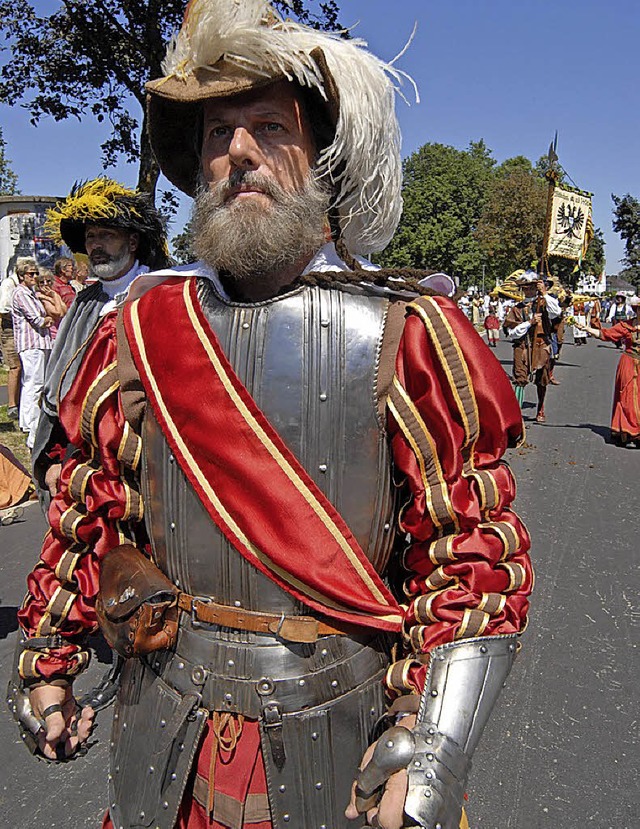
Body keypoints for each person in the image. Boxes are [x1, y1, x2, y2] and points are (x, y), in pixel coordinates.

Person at [11, 4, 533, 829]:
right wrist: (50, 654)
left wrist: (432, 739)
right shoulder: (139, 330)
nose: (239, 152)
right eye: (218, 134)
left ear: (319, 154)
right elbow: (85, 510)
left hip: (342, 729)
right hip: (166, 723)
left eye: (266, 126)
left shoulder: (407, 333)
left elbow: (470, 558)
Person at [26, 176, 170, 506]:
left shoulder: (162, 293)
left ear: (132, 242)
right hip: (83, 465)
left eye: (107, 234)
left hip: (148, 467)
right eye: (91, 236)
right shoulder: (84, 302)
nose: (96, 245)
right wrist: (52, 461)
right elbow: (58, 389)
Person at [576, 296, 640, 446]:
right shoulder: (626, 326)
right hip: (629, 363)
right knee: (627, 396)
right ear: (636, 310)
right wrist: (586, 329)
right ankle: (629, 431)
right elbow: (606, 334)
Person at [503, 274, 561, 421]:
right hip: (522, 346)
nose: (529, 290)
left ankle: (540, 408)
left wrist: (545, 294)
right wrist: (530, 322)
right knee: (519, 378)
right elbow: (511, 333)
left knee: (542, 380)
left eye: (532, 287)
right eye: (526, 288)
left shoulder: (544, 303)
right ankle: (516, 414)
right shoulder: (516, 309)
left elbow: (557, 312)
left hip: (541, 346)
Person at [10, 258, 52, 449]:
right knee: (33, 383)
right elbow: (38, 318)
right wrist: (47, 318)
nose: (35, 277)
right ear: (21, 276)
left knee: (36, 383)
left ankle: (30, 421)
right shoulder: (21, 293)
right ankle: (28, 422)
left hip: (40, 341)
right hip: (31, 343)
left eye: (36, 273)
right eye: (31, 274)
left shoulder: (31, 292)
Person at [0, 265, 22, 419]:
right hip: (9, 329)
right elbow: (3, 309)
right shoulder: (9, 284)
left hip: (22, 329)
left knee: (25, 366)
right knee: (15, 366)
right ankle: (12, 405)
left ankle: (21, 401)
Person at [35, 269, 68, 341]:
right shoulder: (39, 296)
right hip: (51, 335)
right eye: (41, 282)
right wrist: (55, 298)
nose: (46, 284)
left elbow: (65, 311)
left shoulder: (53, 294)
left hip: (59, 333)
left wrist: (52, 297)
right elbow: (58, 313)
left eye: (48, 281)